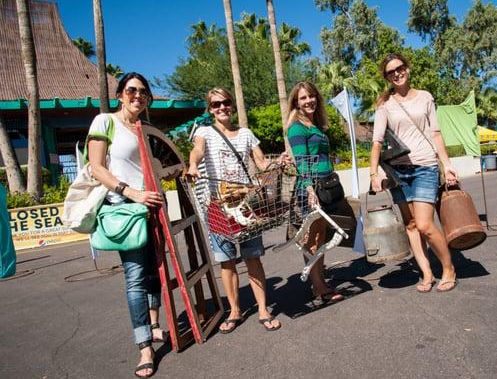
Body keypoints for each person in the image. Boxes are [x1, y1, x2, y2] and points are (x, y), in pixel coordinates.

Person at [188, 87, 287, 333]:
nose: (222, 107)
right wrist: (192, 165)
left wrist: (278, 162)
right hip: (218, 205)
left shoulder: (246, 134)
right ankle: (235, 310)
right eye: (216, 104)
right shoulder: (204, 132)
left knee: (253, 257)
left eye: (226, 102)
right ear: (209, 109)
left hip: (244, 204)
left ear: (231, 105)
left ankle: (263, 309)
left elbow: (262, 163)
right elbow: (198, 151)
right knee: (227, 261)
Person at [87, 72, 166, 378]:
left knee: (154, 269)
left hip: (152, 206)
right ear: (120, 94)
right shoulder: (104, 121)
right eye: (131, 90)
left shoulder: (145, 129)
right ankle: (144, 347)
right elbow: (96, 167)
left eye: (144, 92)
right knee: (135, 277)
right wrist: (130, 192)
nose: (138, 95)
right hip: (124, 206)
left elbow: (158, 165)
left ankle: (155, 323)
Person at [369, 53, 458, 293]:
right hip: (398, 172)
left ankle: (448, 268)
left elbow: (436, 133)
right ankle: (427, 273)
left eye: (400, 68)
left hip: (425, 167)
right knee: (410, 225)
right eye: (391, 72)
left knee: (425, 224)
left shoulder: (425, 97)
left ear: (407, 69)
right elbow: (377, 141)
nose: (397, 73)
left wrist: (446, 163)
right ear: (387, 77)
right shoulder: (385, 105)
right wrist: (373, 173)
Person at [286, 81, 344, 303]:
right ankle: (319, 286)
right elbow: (302, 162)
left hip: (323, 185)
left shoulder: (314, 125)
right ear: (296, 102)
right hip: (311, 189)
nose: (308, 100)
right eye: (303, 98)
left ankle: (320, 282)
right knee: (312, 239)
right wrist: (310, 189)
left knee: (320, 237)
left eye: (311, 96)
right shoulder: (297, 127)